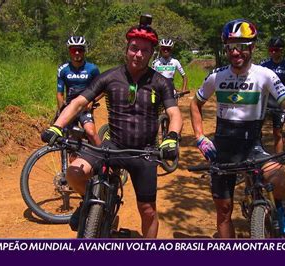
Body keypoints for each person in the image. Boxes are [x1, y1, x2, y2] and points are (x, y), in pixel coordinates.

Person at [41, 19, 183, 238]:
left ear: (151, 54)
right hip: (112, 147)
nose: (138, 54)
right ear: (126, 50)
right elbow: (78, 102)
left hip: (144, 152)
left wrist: (171, 137)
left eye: (145, 51)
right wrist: (57, 126)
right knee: (74, 173)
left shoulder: (161, 82)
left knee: (147, 210)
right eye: (134, 48)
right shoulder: (110, 76)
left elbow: (174, 113)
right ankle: (87, 203)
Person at [190, 19, 285, 238]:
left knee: (278, 178)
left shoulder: (265, 75)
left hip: (252, 145)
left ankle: (278, 207)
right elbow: (195, 103)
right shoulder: (216, 76)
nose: (236, 52)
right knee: (223, 211)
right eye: (231, 46)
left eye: (243, 45)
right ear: (226, 48)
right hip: (223, 149)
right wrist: (200, 136)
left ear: (252, 47)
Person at [57, 36, 101, 146]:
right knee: (72, 142)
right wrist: (61, 110)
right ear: (69, 51)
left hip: (85, 107)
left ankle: (104, 159)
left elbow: (102, 89)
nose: (77, 53)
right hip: (70, 108)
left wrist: (91, 102)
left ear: (84, 51)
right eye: (73, 50)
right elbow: (59, 94)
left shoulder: (93, 69)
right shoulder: (63, 70)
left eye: (80, 50)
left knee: (91, 133)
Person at [260, 36, 285, 153]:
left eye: (275, 50)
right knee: (256, 132)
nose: (273, 53)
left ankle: (278, 159)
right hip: (264, 103)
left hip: (279, 104)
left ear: (281, 50)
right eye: (271, 50)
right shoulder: (263, 65)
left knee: (278, 133)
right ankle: (257, 156)